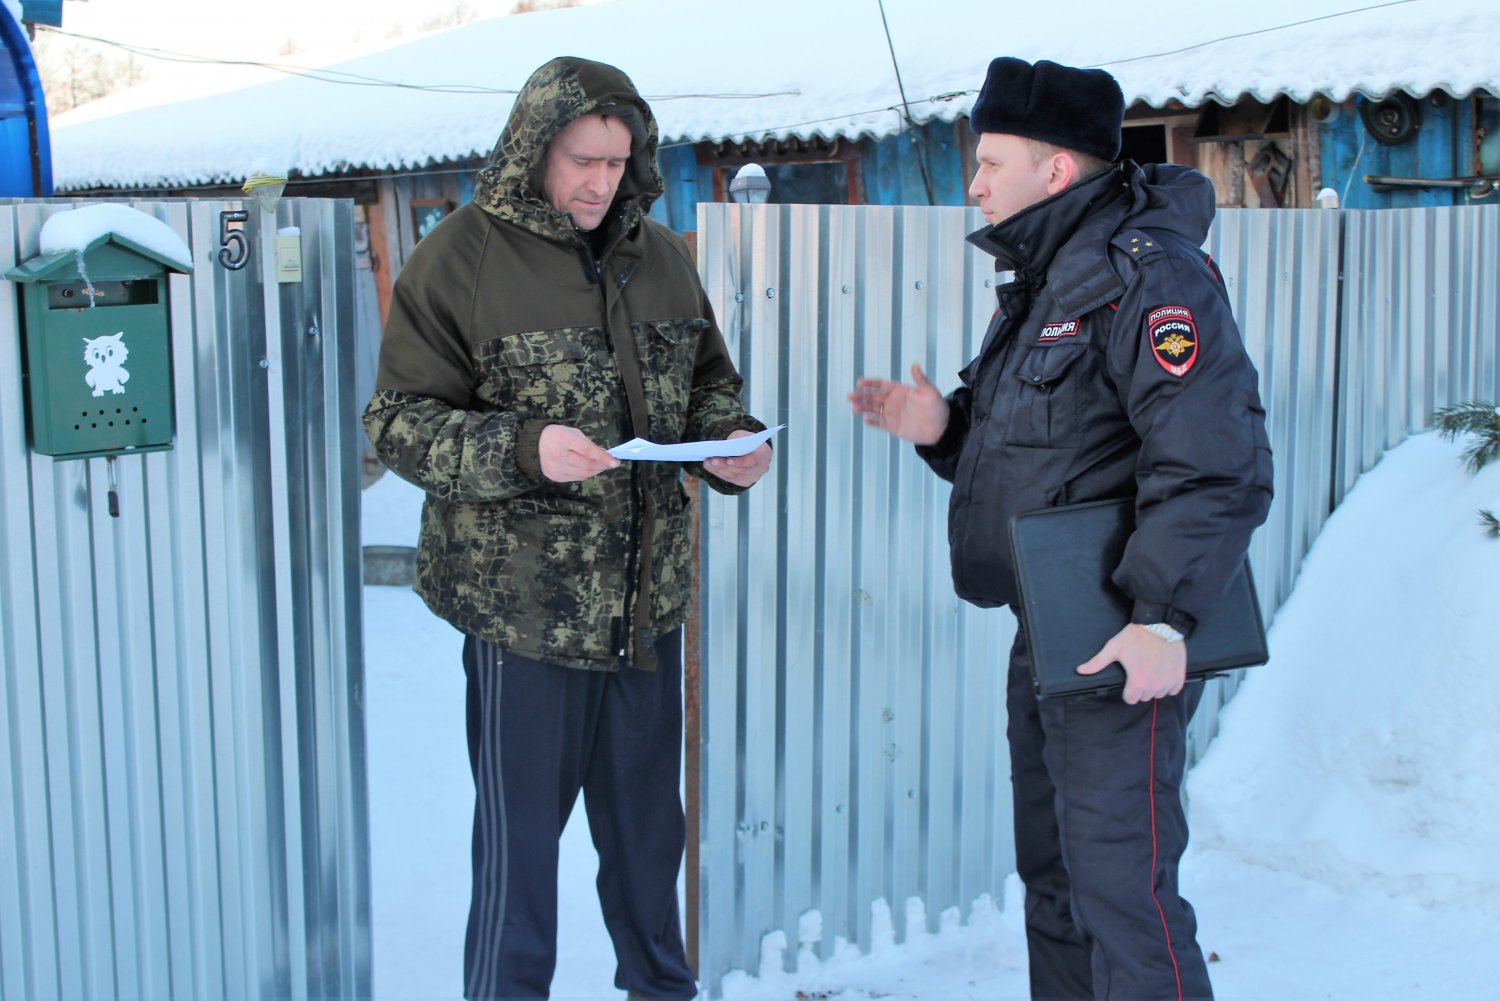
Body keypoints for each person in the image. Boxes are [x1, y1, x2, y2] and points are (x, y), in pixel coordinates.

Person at [849, 57, 1272, 1000]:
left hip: (1124, 638)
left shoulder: (1148, 277)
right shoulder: (1050, 283)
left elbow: (1218, 462)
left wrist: (1164, 620)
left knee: (1125, 898)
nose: (975, 182)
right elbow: (1059, 454)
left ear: (1056, 171)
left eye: (991, 161)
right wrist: (944, 429)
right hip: (1053, 634)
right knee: (1058, 885)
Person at [364, 56, 772, 1001]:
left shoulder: (662, 254)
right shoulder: (458, 258)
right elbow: (398, 423)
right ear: (534, 149)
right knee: (520, 868)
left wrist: (732, 442)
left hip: (645, 607)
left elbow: (713, 385)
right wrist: (522, 449)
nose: (601, 182)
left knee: (646, 849)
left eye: (618, 161)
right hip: (524, 622)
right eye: (583, 159)